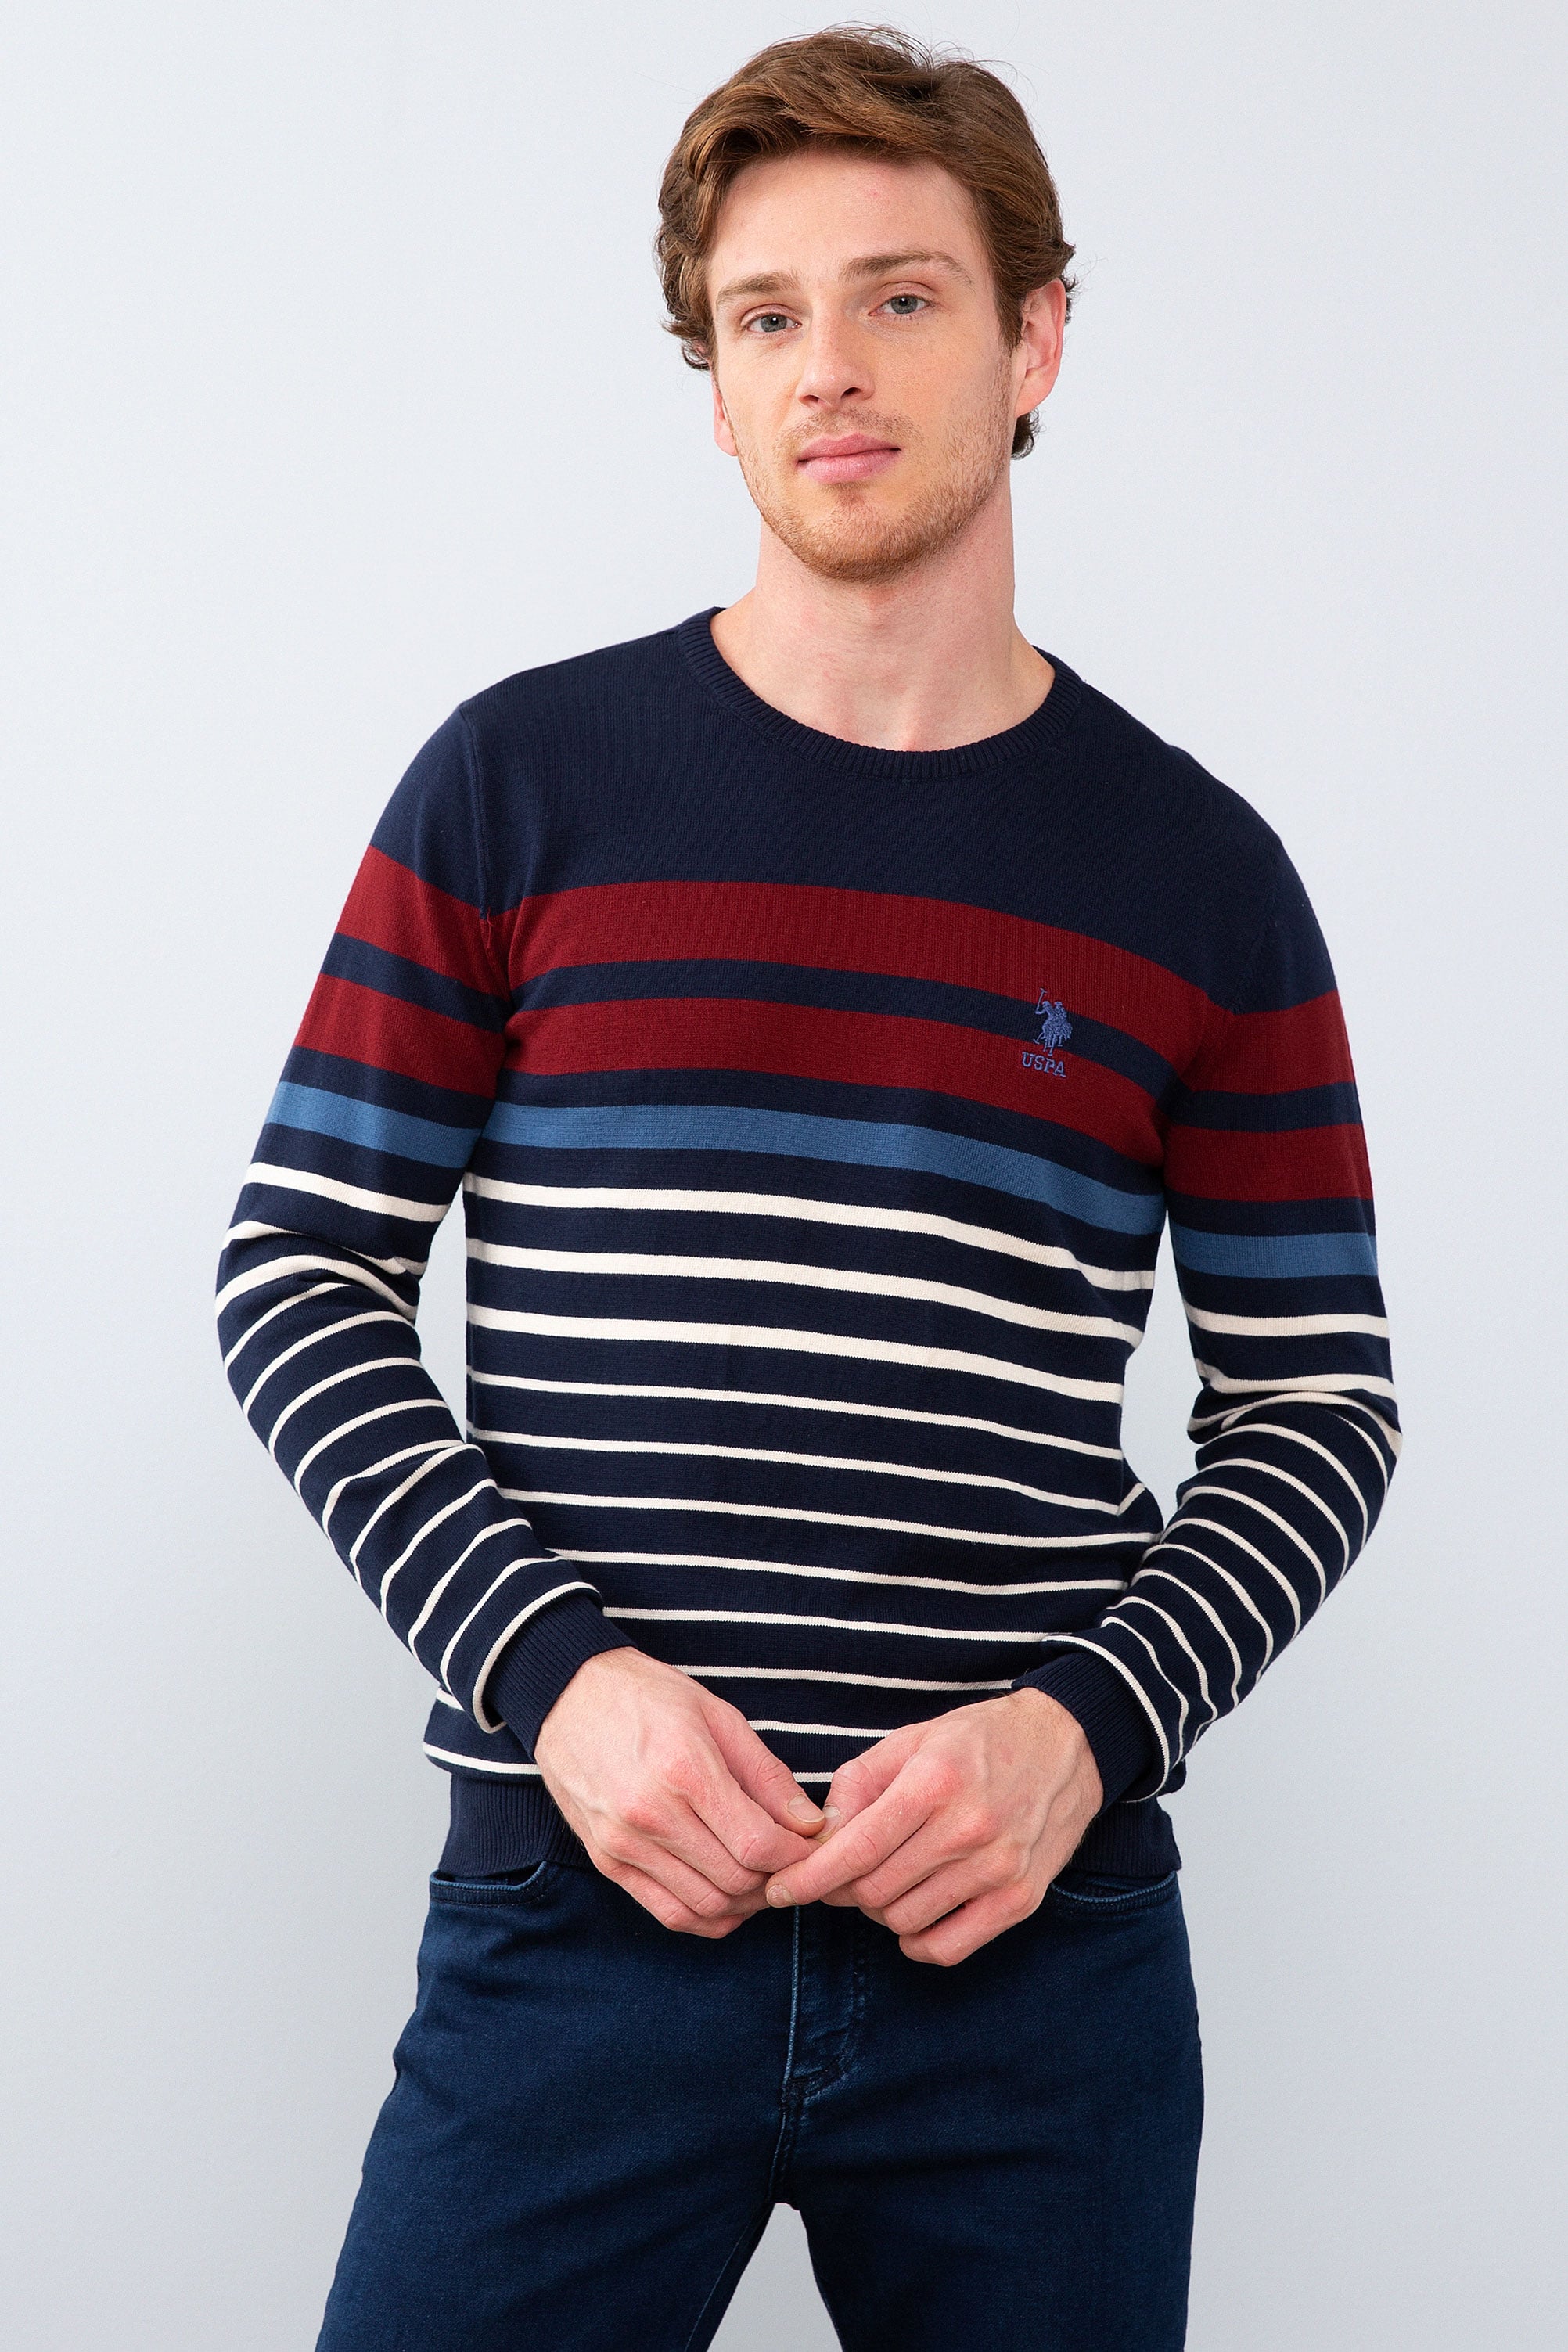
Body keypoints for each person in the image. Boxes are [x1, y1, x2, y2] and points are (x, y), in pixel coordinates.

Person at [216, 28, 1398, 2350]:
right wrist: (557, 1684)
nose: (826, 368)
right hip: (577, 1917)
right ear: (718, 382)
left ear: (1034, 339)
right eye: (764, 315)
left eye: (899, 298)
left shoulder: (1199, 874)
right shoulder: (518, 784)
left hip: (1026, 1962)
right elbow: (300, 1274)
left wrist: (1085, 1729)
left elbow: (1317, 1406)